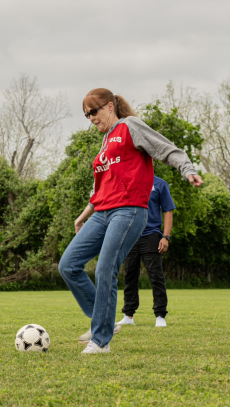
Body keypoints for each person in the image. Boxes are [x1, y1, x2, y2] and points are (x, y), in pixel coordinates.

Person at [59, 88, 203, 354]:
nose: (91, 118)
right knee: (68, 265)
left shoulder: (129, 126)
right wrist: (82, 218)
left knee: (105, 268)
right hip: (102, 213)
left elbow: (165, 148)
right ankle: (101, 320)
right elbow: (100, 192)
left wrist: (188, 169)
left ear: (110, 106)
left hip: (128, 211)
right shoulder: (104, 144)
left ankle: (101, 341)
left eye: (94, 111)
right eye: (86, 115)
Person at [116, 176, 175, 328]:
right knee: (130, 275)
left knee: (156, 276)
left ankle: (160, 316)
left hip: (152, 235)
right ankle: (128, 315)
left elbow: (168, 210)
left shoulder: (160, 184)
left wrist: (165, 237)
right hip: (130, 235)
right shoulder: (127, 180)